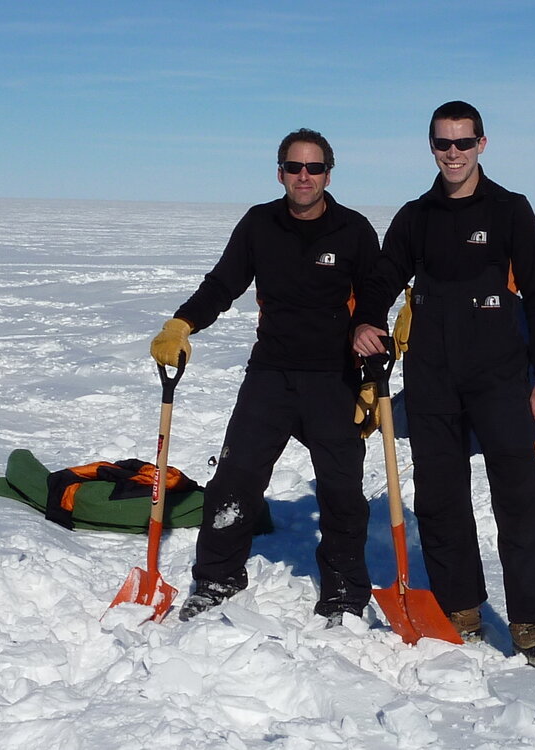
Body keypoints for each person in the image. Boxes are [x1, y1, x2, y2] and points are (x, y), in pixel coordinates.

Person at [351, 101, 535, 668]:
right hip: (432, 375)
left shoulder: (510, 210)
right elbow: (381, 278)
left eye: (463, 143)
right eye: (443, 144)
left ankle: (530, 620)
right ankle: (460, 606)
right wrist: (367, 319)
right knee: (441, 497)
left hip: (498, 375)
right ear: (431, 146)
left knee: (518, 497)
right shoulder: (416, 215)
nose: (453, 154)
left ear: (481, 144)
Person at [151, 128, 381, 624]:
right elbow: (223, 283)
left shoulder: (354, 230)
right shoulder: (259, 224)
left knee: (341, 490)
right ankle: (217, 577)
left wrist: (369, 359)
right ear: (280, 172)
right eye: (294, 167)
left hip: (332, 377)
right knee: (235, 476)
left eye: (314, 168)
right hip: (271, 374)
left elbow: (374, 297)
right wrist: (181, 323)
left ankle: (343, 589)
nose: (304, 176)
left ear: (328, 174)